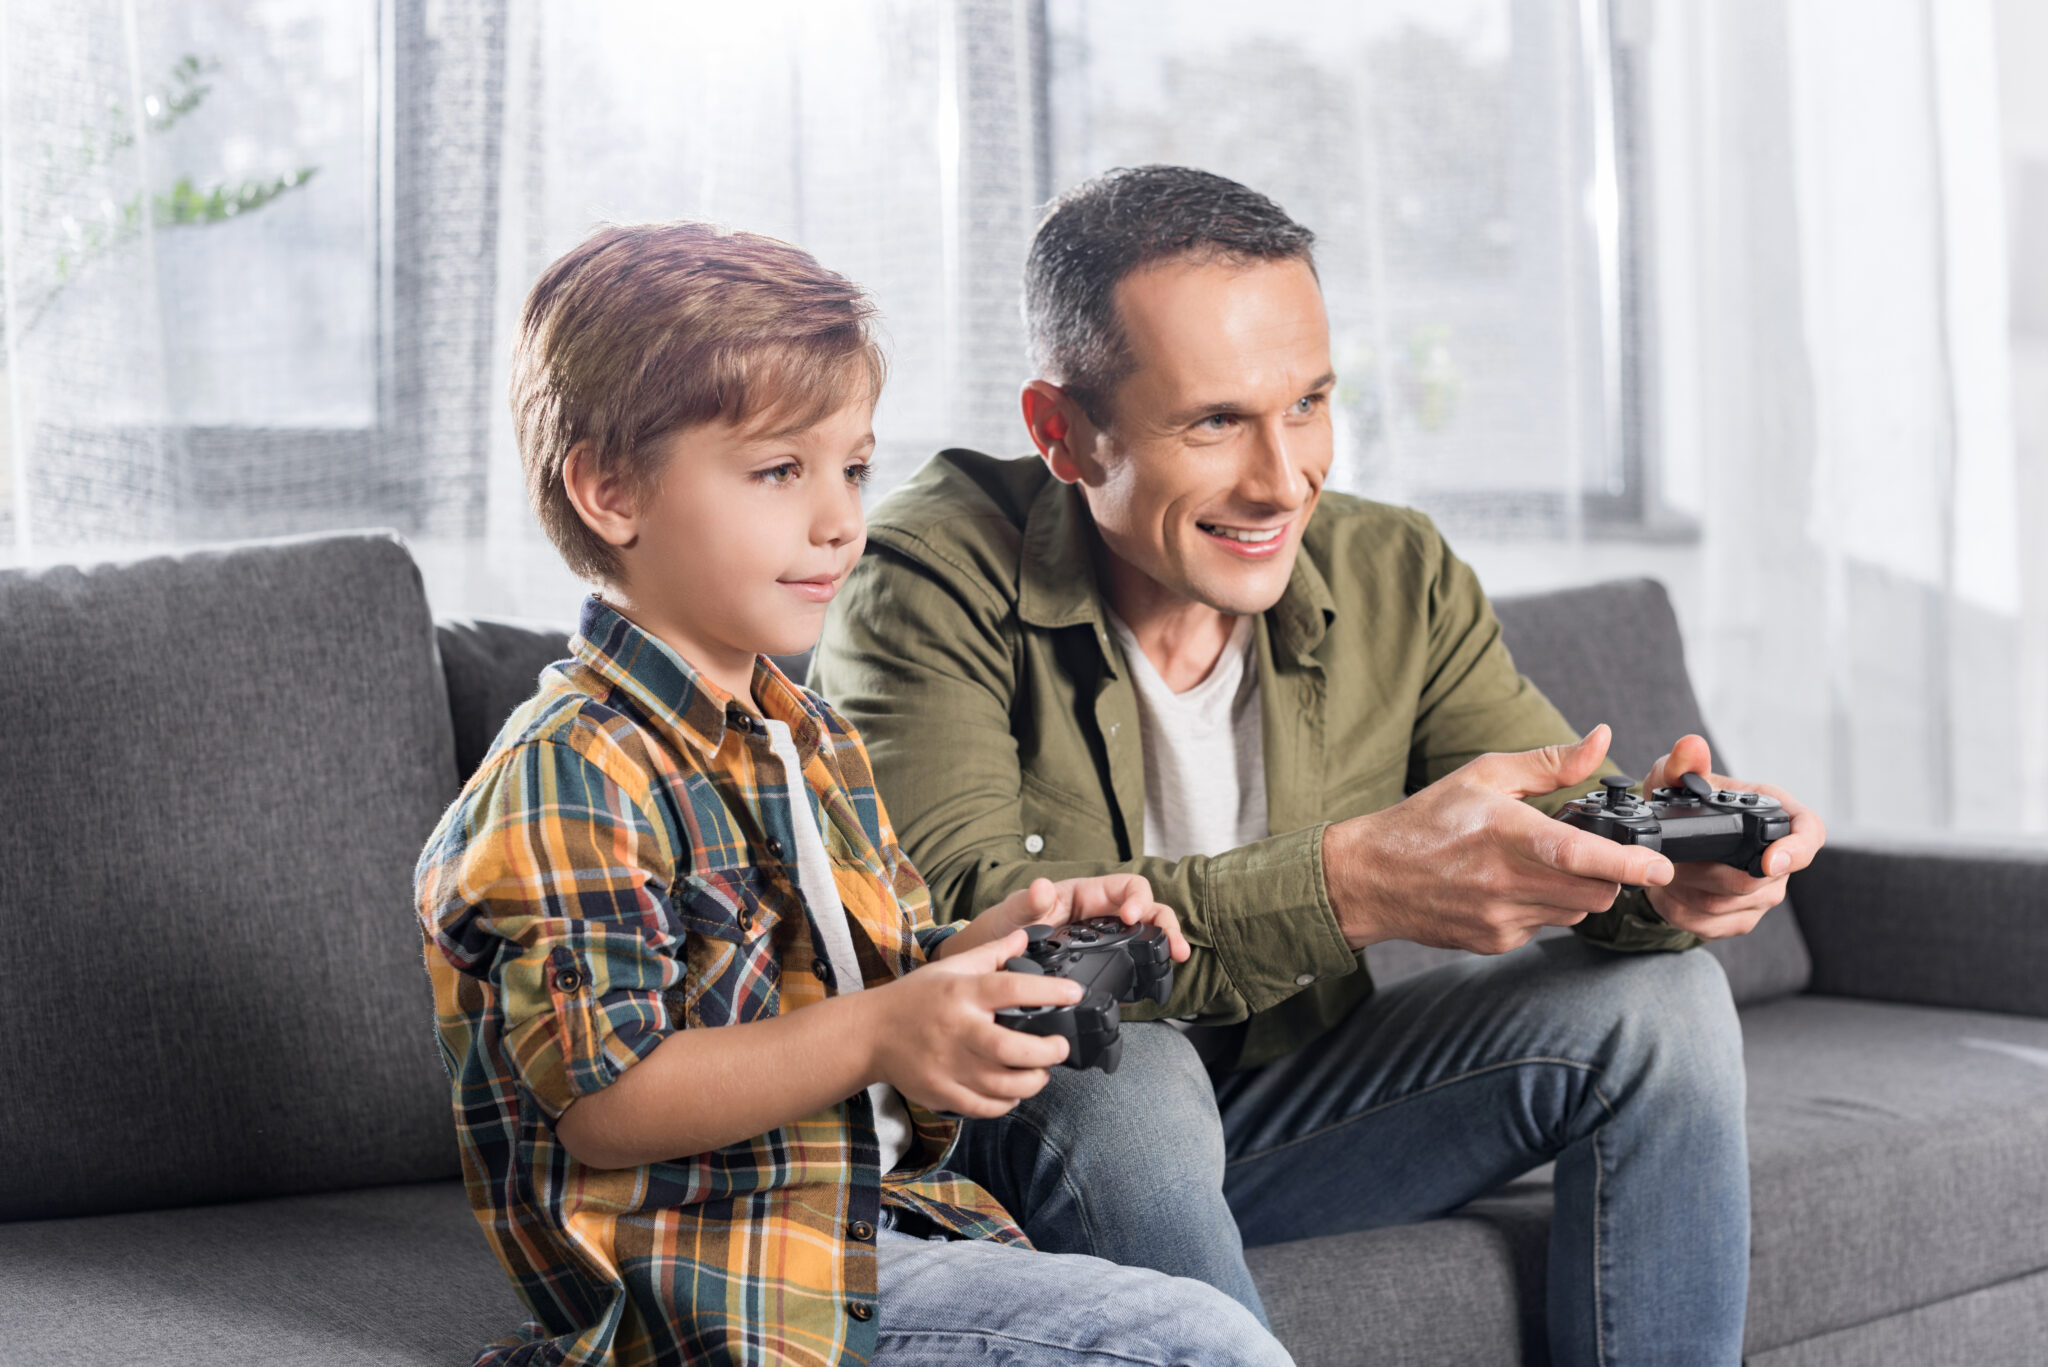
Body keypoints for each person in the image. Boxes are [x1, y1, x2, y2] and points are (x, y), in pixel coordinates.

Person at [809, 166, 1828, 1367]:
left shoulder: (1394, 569)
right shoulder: (924, 571)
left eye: (1308, 401)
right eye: (1213, 421)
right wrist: (1348, 886)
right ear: (1062, 431)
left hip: (1291, 1112)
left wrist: (1665, 884)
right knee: (1122, 1074)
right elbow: (975, 944)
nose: (1284, 476)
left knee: (1661, 1005)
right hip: (1037, 1135)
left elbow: (1556, 831)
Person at [413, 221, 1295, 1367]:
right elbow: (606, 1097)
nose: (839, 519)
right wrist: (884, 1028)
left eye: (852, 467)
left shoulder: (802, 729)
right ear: (608, 490)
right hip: (724, 1286)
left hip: (873, 1223)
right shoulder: (570, 770)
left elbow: (862, 971)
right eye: (780, 470)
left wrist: (995, 945)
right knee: (1191, 1342)